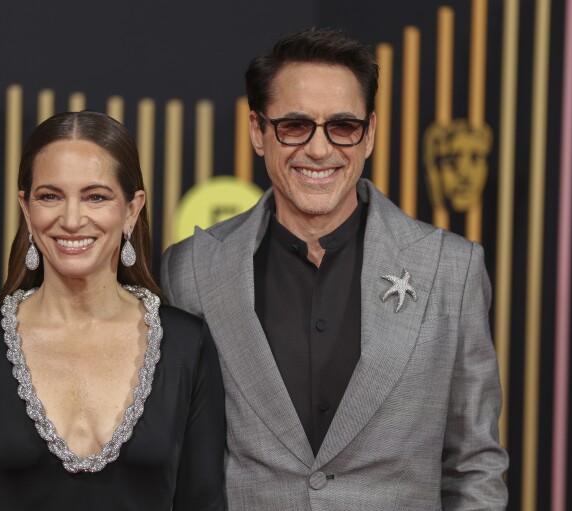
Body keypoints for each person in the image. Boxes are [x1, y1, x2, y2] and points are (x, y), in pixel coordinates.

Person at [160, 28, 508, 509]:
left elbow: (474, 465)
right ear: (258, 132)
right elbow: (176, 462)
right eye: (295, 125)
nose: (320, 150)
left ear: (370, 135)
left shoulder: (452, 267)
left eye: (343, 126)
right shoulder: (191, 269)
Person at [0, 111, 225, 510]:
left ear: (131, 210)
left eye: (96, 196)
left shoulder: (188, 345)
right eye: (51, 196)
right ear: (27, 209)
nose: (72, 219)